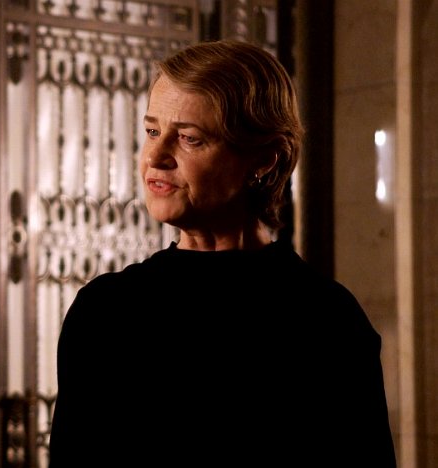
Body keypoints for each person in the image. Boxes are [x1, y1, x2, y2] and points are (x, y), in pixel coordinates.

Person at [47, 40, 396, 467]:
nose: (156, 157)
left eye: (189, 138)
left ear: (264, 160)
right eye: (152, 131)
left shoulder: (327, 319)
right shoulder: (104, 311)